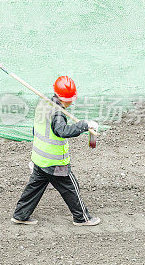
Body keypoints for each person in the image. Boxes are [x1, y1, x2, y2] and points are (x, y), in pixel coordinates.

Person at [12, 76, 101, 226]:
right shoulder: (58, 113)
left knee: (35, 187)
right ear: (68, 98)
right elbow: (62, 131)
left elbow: (37, 129)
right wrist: (84, 125)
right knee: (71, 187)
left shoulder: (43, 104)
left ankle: (20, 215)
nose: (72, 101)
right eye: (71, 98)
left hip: (40, 158)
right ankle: (82, 218)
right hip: (55, 162)